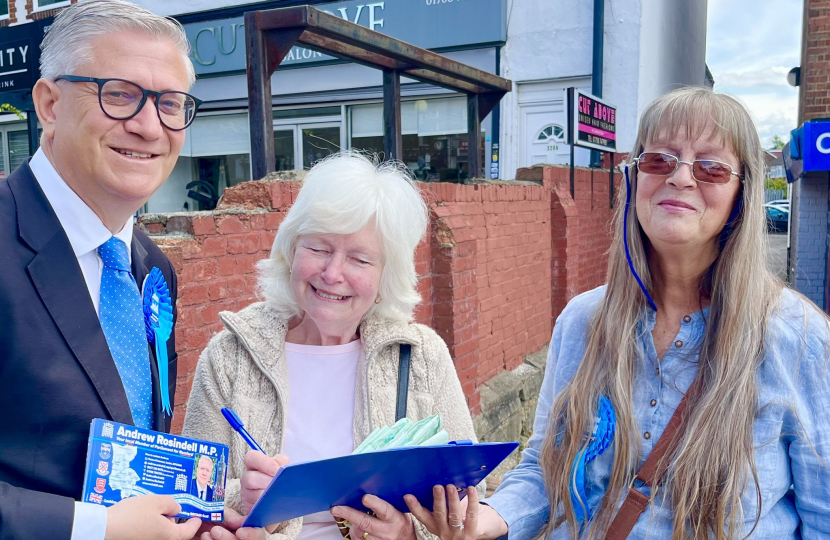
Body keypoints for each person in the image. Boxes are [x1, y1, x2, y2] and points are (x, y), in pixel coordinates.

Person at [408, 87, 830, 539]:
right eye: (659, 160)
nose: (681, 178)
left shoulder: (797, 336)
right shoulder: (582, 321)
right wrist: (484, 520)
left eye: (711, 166)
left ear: (742, 193)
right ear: (633, 176)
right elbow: (542, 469)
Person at [182, 152, 482, 540]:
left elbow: (469, 494)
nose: (332, 273)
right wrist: (251, 502)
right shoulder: (229, 356)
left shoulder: (422, 355)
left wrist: (408, 535)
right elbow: (189, 492)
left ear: (385, 278)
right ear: (291, 251)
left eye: (359, 259)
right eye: (319, 249)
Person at [0, 1, 206, 539]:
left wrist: (199, 515)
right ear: (48, 102)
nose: (148, 126)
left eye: (170, 103)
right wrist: (94, 527)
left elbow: (130, 438)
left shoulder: (152, 268)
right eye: (119, 94)